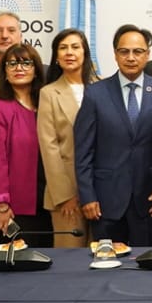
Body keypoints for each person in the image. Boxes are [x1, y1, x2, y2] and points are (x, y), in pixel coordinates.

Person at [76, 25, 152, 246]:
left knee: (147, 270)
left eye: (138, 51)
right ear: (115, 54)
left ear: (147, 54)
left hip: (149, 201)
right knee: (107, 267)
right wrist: (87, 195)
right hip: (105, 201)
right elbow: (83, 150)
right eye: (124, 51)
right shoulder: (95, 93)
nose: (131, 57)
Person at [0, 42, 52, 244]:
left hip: (48, 201)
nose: (19, 68)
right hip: (14, 206)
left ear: (36, 70)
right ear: (4, 72)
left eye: (26, 63)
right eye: (12, 64)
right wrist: (0, 204)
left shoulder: (46, 105)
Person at [38, 28, 97, 249]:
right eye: (63, 48)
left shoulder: (102, 87)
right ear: (56, 56)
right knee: (70, 259)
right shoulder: (49, 93)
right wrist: (65, 195)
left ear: (85, 52)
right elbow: (49, 146)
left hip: (101, 189)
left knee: (103, 256)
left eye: (75, 47)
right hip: (66, 194)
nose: (69, 52)